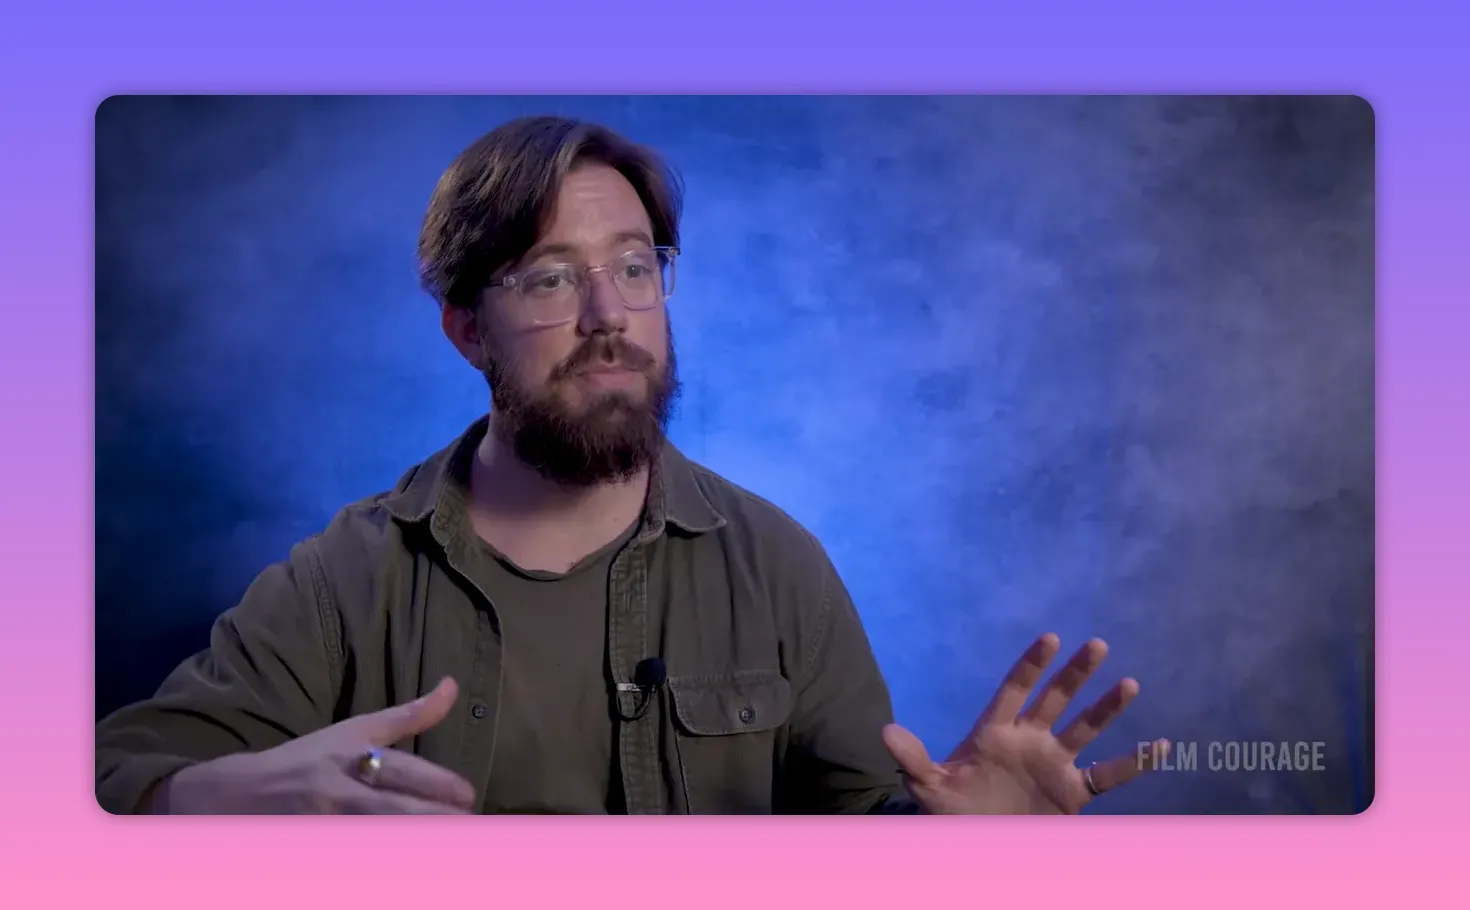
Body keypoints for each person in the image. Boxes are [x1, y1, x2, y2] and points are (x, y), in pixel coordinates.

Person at [95, 115, 1168, 815]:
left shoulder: (778, 567)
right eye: (551, 279)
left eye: (633, 267)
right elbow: (95, 788)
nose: (609, 315)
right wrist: (220, 799)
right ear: (467, 330)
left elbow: (857, 848)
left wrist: (955, 847)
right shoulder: (346, 580)